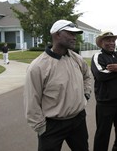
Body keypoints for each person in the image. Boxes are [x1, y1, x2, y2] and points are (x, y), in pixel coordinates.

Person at [24, 19, 92, 151]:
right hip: (52, 126)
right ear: (57, 35)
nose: (74, 37)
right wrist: (41, 127)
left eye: (75, 34)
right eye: (70, 34)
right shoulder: (38, 67)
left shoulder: (76, 59)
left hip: (78, 120)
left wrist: (86, 94)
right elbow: (31, 101)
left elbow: (87, 75)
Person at [91, 31, 117, 151]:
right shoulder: (98, 56)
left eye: (113, 40)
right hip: (105, 102)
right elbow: (100, 75)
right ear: (101, 42)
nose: (111, 43)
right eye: (108, 40)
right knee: (103, 133)